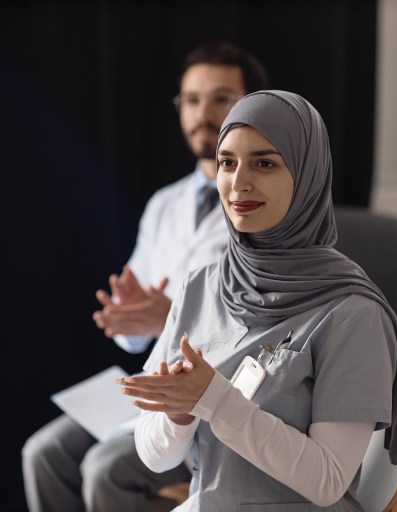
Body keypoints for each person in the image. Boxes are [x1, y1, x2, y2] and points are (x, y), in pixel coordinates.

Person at [116, 90, 397, 511]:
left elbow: (328, 480)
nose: (239, 183)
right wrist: (179, 414)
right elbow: (156, 457)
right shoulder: (200, 286)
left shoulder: (353, 314)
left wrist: (214, 399)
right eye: (227, 162)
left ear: (307, 175)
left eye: (265, 164)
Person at [22, 41, 269, 512]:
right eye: (191, 100)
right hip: (153, 384)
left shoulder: (268, 205)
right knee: (43, 454)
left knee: (104, 471)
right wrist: (127, 318)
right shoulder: (164, 204)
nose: (203, 114)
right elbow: (138, 333)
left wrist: (171, 317)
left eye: (221, 99)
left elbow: (268, 327)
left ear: (254, 107)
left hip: (218, 398)